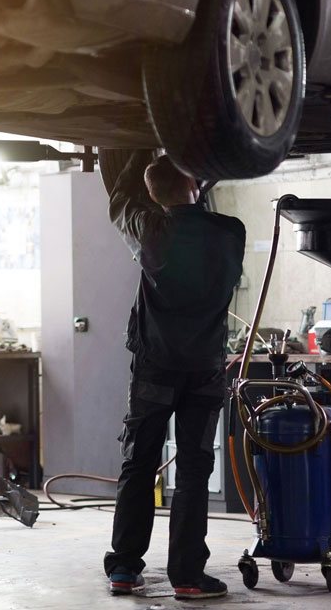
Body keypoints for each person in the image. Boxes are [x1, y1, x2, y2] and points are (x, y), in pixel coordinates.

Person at [101, 149, 245, 601]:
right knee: (194, 471)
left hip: (155, 368)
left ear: (152, 195)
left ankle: (124, 568)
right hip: (204, 370)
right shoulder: (230, 231)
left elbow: (120, 198)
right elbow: (197, 203)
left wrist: (138, 146)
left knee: (139, 463)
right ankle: (186, 574)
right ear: (196, 186)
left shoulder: (149, 231)